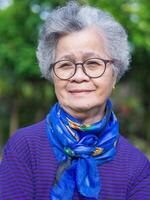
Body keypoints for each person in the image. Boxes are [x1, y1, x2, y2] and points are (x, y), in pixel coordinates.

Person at [0, 1, 150, 200]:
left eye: (93, 63)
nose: (79, 76)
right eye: (65, 65)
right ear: (52, 75)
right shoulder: (24, 147)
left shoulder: (137, 166)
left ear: (114, 75)